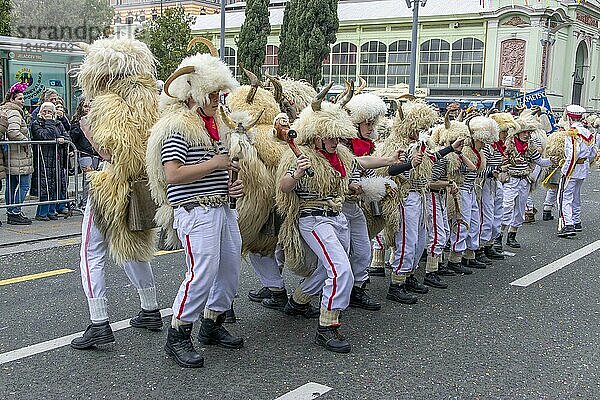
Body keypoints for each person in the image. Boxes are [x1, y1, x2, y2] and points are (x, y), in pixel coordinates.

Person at [147, 53, 244, 368]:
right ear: (194, 93)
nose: (217, 99)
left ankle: (212, 324)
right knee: (201, 273)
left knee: (229, 267)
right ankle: (178, 334)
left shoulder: (215, 124)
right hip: (195, 210)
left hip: (221, 207)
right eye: (212, 93)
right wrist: (215, 163)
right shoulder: (177, 126)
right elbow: (173, 174)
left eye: (219, 93)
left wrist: (230, 185)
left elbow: (221, 168)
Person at [69, 38, 162, 350]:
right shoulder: (152, 99)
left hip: (111, 183)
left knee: (90, 251)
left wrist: (86, 129)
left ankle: (99, 322)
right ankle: (150, 310)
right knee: (133, 247)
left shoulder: (108, 102)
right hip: (141, 184)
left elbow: (110, 151)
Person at [502, 116, 552, 248]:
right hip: (510, 180)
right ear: (517, 132)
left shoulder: (530, 146)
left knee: (519, 210)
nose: (527, 135)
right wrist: (511, 162)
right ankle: (498, 238)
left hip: (524, 180)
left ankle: (512, 235)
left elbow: (540, 161)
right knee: (506, 208)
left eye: (529, 132)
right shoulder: (508, 144)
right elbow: (500, 162)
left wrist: (553, 160)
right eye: (524, 132)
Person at [556, 105, 597, 237]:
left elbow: (573, 153)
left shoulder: (572, 132)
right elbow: (592, 153)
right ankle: (576, 220)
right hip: (582, 168)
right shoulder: (587, 132)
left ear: (569, 117)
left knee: (564, 197)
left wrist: (565, 170)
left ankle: (568, 224)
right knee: (576, 195)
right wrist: (586, 165)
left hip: (572, 168)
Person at [1, 82, 33, 225]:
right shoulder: (14, 112)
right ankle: (14, 212)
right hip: (18, 155)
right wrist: (26, 141)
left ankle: (11, 211)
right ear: (12, 99)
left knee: (11, 184)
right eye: (19, 98)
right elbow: (13, 132)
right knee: (24, 185)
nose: (23, 101)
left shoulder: (6, 110)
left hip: (12, 155)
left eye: (23, 98)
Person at [30, 102, 69, 221]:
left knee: (55, 186)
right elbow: (44, 136)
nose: (47, 114)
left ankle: (51, 211)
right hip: (43, 158)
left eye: (50, 112)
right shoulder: (36, 123)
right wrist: (49, 122)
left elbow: (67, 136)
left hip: (56, 159)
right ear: (40, 112)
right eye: (44, 111)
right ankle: (42, 213)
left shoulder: (58, 123)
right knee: (45, 186)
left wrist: (63, 140)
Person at [69, 97, 98, 210]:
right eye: (85, 106)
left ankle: (93, 202)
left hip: (95, 153)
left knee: (96, 179)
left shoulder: (96, 120)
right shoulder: (77, 122)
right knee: (88, 179)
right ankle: (86, 203)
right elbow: (73, 137)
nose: (87, 109)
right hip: (84, 153)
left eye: (89, 107)